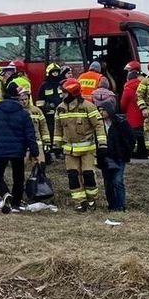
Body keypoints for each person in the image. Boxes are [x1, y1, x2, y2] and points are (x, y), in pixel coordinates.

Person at [0, 82, 40, 213]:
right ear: (17, 97)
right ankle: (16, 203)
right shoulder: (23, 114)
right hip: (18, 151)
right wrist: (35, 152)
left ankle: (5, 193)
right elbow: (30, 135)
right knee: (18, 177)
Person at [53, 77, 107, 212]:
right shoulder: (60, 109)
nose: (62, 94)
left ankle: (91, 200)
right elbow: (58, 128)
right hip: (69, 151)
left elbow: (99, 125)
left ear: (72, 93)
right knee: (73, 176)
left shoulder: (88, 107)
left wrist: (102, 144)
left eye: (64, 92)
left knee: (88, 175)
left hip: (87, 149)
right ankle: (79, 202)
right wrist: (56, 145)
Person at [95, 97, 132, 211]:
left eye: (103, 110)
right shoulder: (97, 125)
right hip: (104, 158)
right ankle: (112, 205)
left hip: (118, 157)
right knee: (108, 183)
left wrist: (126, 153)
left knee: (118, 181)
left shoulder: (120, 123)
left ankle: (120, 206)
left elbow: (130, 138)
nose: (101, 112)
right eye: (99, 110)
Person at [119, 61, 148, 159]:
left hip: (132, 116)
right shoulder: (144, 84)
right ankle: (143, 150)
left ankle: (134, 152)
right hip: (144, 114)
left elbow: (123, 104)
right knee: (141, 135)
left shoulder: (128, 88)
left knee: (132, 136)